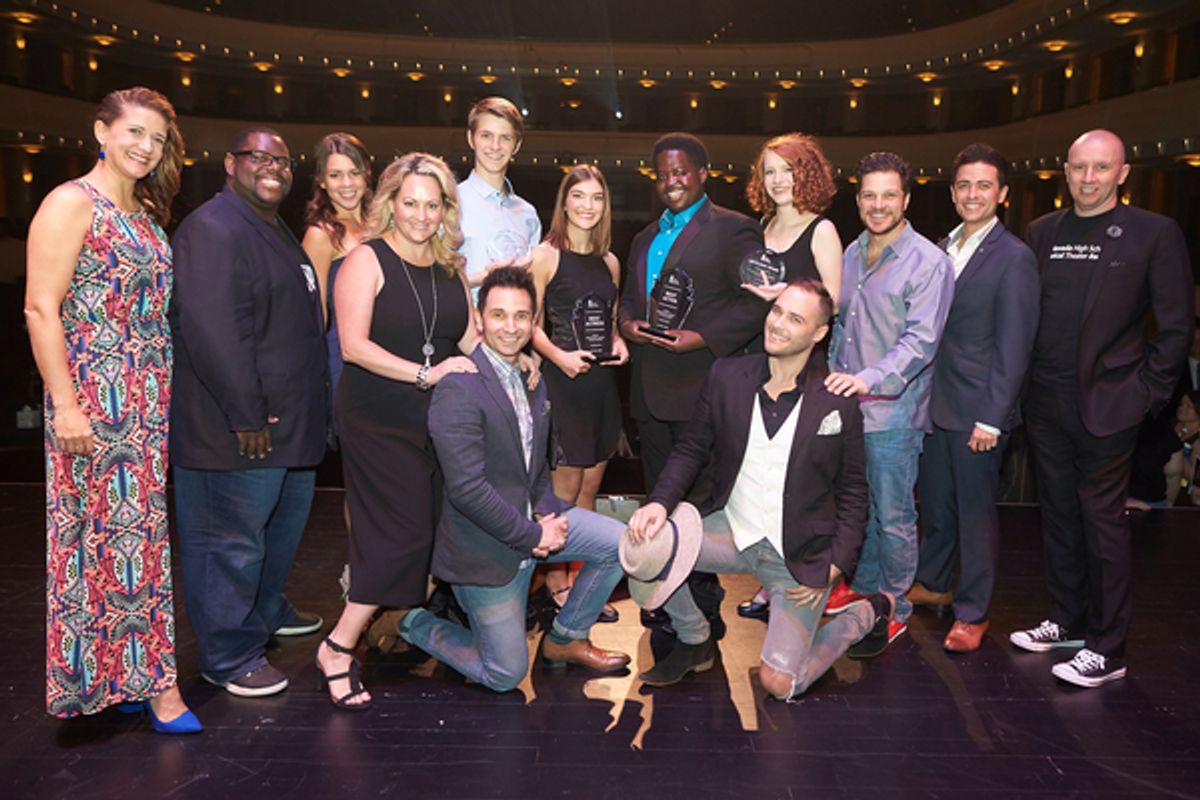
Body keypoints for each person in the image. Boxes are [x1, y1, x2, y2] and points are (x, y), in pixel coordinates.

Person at [623, 279, 895, 696]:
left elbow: (855, 492)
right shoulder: (726, 375)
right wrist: (659, 503)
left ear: (819, 333)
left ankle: (862, 617)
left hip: (799, 557)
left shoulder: (836, 399)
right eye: (778, 311)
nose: (779, 324)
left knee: (780, 684)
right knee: (646, 544)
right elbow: (691, 448)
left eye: (796, 318)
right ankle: (696, 639)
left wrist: (836, 564)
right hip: (732, 533)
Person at [25, 87, 200, 734]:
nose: (144, 146)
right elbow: (41, 307)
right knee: (95, 541)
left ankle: (125, 675)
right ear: (101, 130)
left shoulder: (146, 215)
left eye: (156, 138)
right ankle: (156, 688)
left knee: (135, 541)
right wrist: (66, 406)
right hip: (94, 403)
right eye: (132, 131)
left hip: (145, 407)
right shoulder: (73, 202)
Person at [1012, 129, 1194, 687]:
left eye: (1101, 168)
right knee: (1060, 515)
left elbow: (1176, 323)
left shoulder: (1153, 233)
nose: (1088, 178)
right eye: (1078, 168)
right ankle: (1068, 621)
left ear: (1122, 174)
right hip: (1045, 399)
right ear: (1065, 171)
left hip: (1111, 403)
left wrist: (1148, 395)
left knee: (1102, 523)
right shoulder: (1042, 232)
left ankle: (1108, 648)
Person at [397, 266, 631, 692]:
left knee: (620, 545)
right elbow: (467, 491)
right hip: (485, 548)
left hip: (532, 525)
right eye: (499, 315)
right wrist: (531, 534)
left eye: (521, 316)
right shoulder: (459, 386)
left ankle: (564, 639)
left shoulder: (530, 377)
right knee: (506, 674)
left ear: (533, 321)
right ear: (480, 319)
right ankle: (411, 622)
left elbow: (535, 467)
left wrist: (545, 511)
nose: (510, 327)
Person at [314, 153, 478, 710]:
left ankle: (400, 626)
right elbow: (354, 346)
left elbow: (469, 339)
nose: (420, 215)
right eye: (410, 203)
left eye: (432, 205)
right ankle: (339, 645)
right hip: (377, 415)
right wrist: (427, 373)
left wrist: (516, 365)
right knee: (402, 531)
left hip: (434, 419)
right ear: (389, 204)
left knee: (428, 528)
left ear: (446, 210)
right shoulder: (365, 259)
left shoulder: (451, 266)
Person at [170, 127, 328, 698]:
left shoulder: (268, 226)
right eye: (259, 157)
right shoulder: (213, 228)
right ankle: (227, 653)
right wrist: (245, 415)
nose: (273, 168)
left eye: (283, 162)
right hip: (236, 431)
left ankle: (263, 609)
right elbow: (214, 332)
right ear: (230, 164)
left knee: (271, 536)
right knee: (228, 544)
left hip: (283, 428)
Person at [617, 131, 767, 630]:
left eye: (681, 172)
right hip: (649, 391)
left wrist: (703, 337)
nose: (671, 182)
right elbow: (629, 300)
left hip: (703, 389)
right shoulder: (642, 238)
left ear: (703, 174)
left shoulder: (735, 230)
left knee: (697, 506)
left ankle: (703, 606)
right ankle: (665, 596)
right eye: (662, 174)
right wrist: (625, 324)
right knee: (659, 497)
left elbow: (755, 302)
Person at [909, 144, 1040, 653]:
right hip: (935, 405)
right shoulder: (943, 246)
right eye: (964, 185)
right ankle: (936, 582)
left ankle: (972, 611)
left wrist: (993, 417)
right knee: (937, 506)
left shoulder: (1015, 258)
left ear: (1002, 195)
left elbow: (1015, 346)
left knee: (975, 515)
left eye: (983, 185)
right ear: (952, 192)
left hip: (978, 413)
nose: (972, 194)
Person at [823, 151, 954, 656]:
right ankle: (867, 593)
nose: (879, 205)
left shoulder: (929, 262)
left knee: (894, 516)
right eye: (869, 195)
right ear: (858, 200)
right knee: (863, 509)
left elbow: (920, 343)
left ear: (907, 199)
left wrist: (865, 379)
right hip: (849, 410)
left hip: (894, 412)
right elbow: (838, 327)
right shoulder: (849, 255)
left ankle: (894, 607)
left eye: (889, 195)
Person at [737, 132, 844, 621]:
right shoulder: (759, 227)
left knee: (795, 481)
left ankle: (796, 575)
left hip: (804, 369)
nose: (778, 179)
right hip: (760, 363)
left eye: (789, 169)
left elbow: (833, 302)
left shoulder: (821, 230)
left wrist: (787, 296)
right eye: (770, 170)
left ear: (808, 175)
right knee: (758, 474)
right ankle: (768, 579)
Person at [529, 165, 628, 620]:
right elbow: (527, 323)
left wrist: (620, 342)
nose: (588, 206)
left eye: (597, 198)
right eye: (579, 196)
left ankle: (584, 584)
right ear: (564, 202)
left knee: (591, 489)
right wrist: (559, 357)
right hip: (562, 383)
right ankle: (555, 583)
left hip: (600, 387)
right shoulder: (546, 255)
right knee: (562, 495)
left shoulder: (610, 262)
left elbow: (608, 323)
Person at [302, 132, 373, 397]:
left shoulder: (382, 222)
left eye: (354, 173)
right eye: (335, 175)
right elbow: (313, 314)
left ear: (367, 173)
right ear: (321, 181)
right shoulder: (321, 234)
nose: (347, 184)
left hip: (389, 349)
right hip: (345, 358)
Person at [457, 96, 541, 291]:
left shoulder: (528, 214)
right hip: (462, 320)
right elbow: (430, 285)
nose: (495, 146)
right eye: (486, 135)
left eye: (505, 137)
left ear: (517, 145)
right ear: (471, 139)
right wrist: (483, 278)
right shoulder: (450, 203)